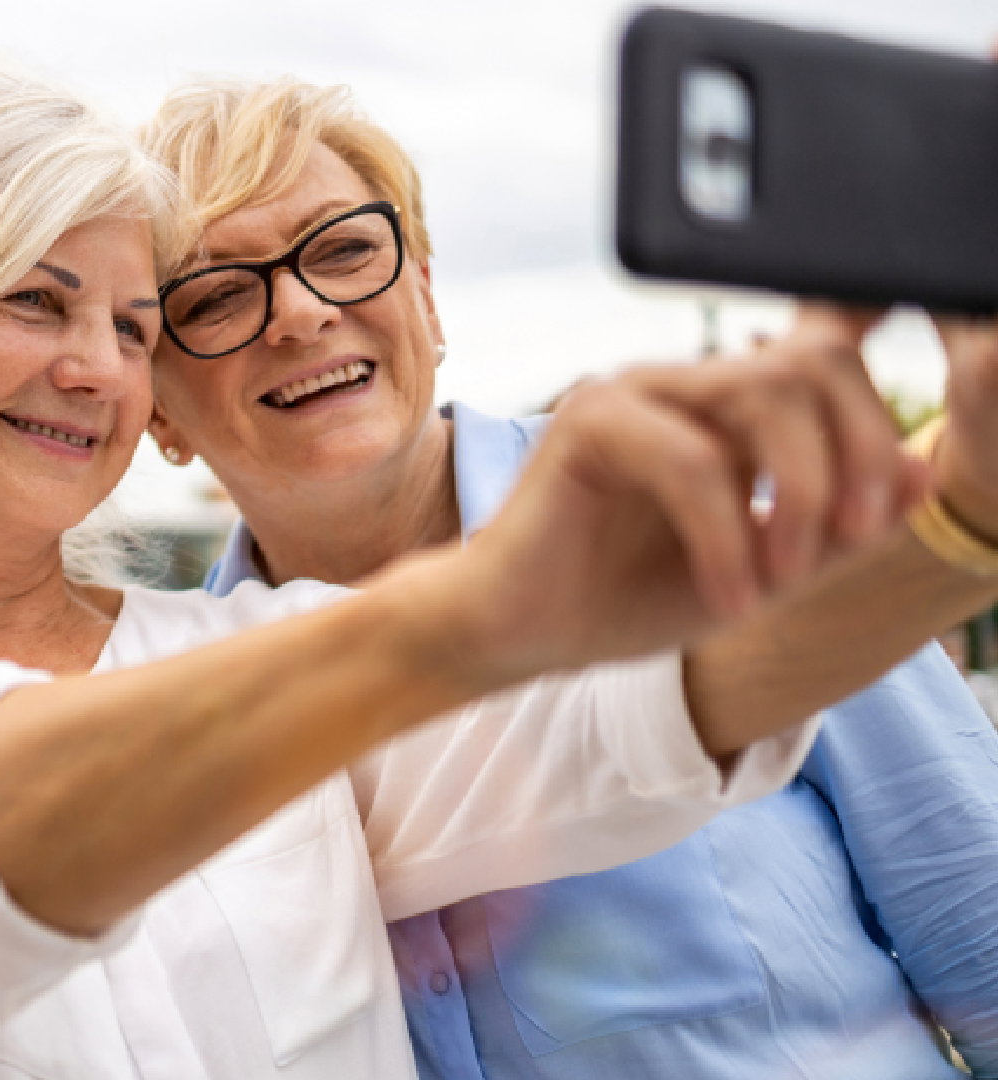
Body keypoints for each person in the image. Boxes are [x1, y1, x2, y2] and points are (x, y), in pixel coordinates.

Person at [0, 67, 997, 1079]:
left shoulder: (260, 645)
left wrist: (963, 516)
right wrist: (466, 618)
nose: (95, 366)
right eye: (36, 298)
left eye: (137, 323)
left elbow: (636, 713)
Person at [140, 78, 998, 1079]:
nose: (300, 311)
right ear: (154, 411)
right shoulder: (183, 732)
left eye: (342, 248)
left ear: (424, 294)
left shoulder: (696, 509)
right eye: (215, 295)